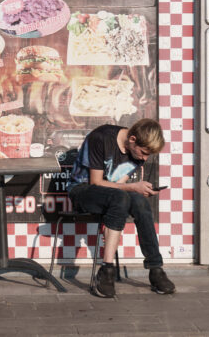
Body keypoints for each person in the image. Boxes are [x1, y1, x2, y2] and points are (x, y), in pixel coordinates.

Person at [67, 118, 175, 298]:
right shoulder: (100, 138)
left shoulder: (137, 154)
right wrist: (133, 187)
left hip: (111, 195)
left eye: (148, 155)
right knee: (121, 196)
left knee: (139, 202)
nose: (144, 158)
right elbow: (96, 182)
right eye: (143, 153)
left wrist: (137, 190)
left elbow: (118, 185)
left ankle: (156, 269)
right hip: (82, 191)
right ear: (132, 139)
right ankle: (106, 270)